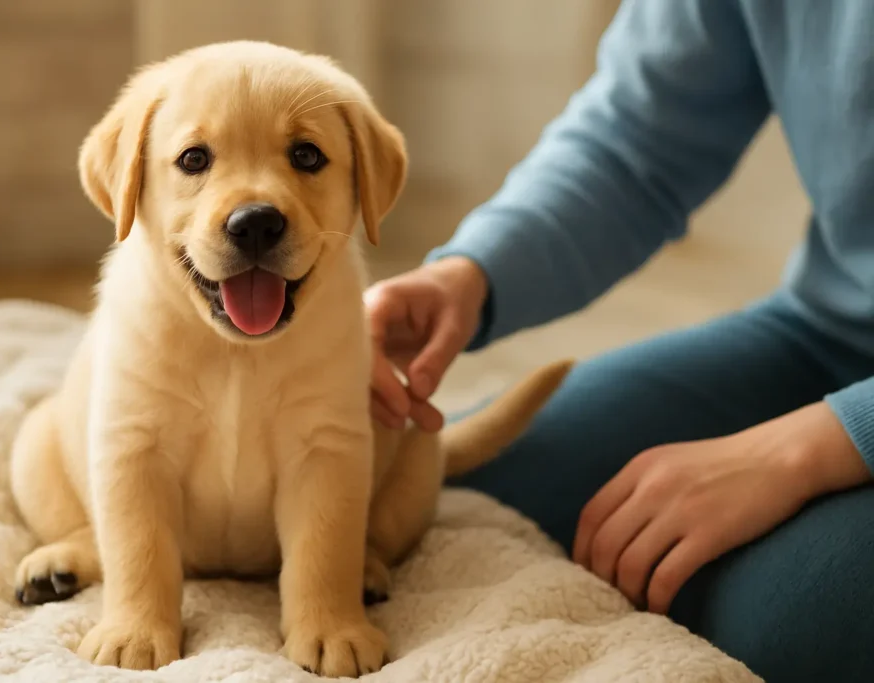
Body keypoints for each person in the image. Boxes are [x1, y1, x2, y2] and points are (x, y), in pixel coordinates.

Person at [364, 2, 874, 682]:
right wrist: (469, 274)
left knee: (788, 615)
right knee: (456, 496)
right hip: (833, 330)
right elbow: (638, 139)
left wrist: (814, 445)